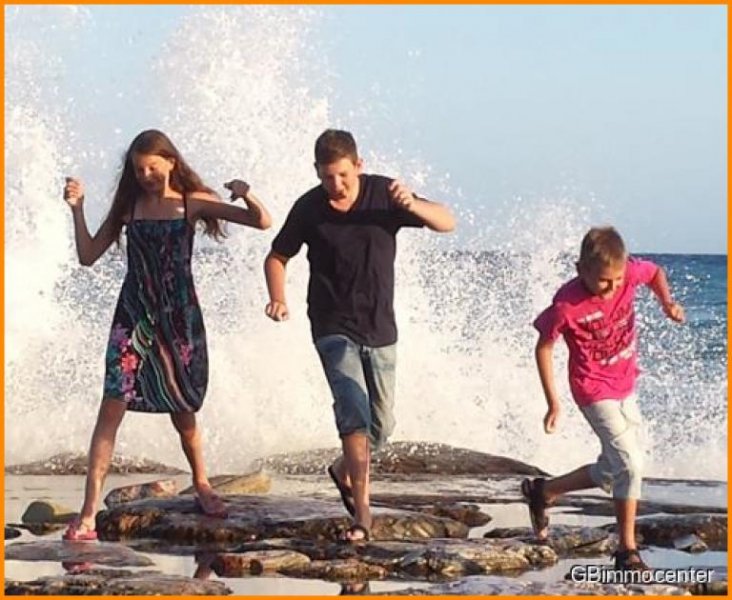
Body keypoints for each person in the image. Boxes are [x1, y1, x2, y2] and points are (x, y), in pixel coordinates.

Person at [61, 129, 272, 541]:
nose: (145, 175)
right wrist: (77, 209)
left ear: (171, 162)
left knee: (183, 409)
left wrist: (247, 195)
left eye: (153, 167)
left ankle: (203, 483)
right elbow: (88, 257)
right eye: (139, 169)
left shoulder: (192, 202)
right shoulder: (129, 207)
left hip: (178, 317)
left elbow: (261, 222)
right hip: (134, 317)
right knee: (111, 405)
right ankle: (88, 513)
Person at [263, 129, 455, 542]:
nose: (336, 185)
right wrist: (277, 298)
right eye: (328, 176)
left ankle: (341, 468)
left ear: (359, 166)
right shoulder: (309, 207)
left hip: (381, 328)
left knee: (381, 426)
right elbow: (277, 256)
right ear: (317, 172)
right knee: (353, 410)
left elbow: (447, 222)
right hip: (332, 326)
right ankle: (362, 514)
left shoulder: (385, 194)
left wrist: (415, 205)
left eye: (344, 176)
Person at [524, 226, 685, 570]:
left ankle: (544, 491)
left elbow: (655, 272)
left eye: (617, 280)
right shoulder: (566, 305)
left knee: (615, 471)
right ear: (580, 268)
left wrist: (666, 302)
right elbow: (544, 346)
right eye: (603, 282)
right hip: (592, 389)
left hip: (626, 383)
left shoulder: (628, 275)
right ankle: (626, 549)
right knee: (630, 463)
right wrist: (553, 400)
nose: (613, 288)